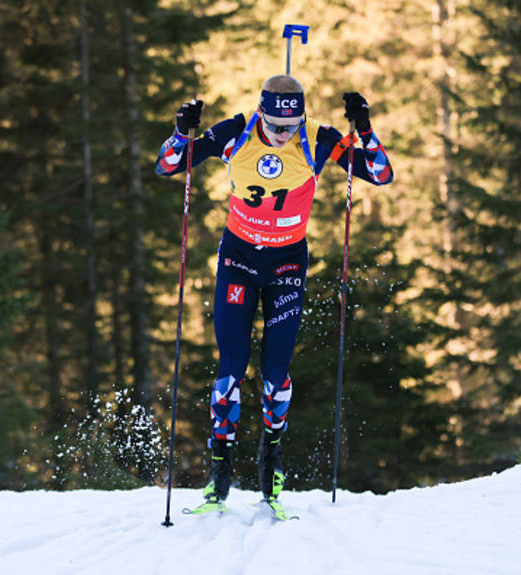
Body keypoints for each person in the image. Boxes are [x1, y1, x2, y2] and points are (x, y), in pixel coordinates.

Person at [155, 75, 393, 513]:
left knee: (274, 372)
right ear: (262, 112)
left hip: (286, 264)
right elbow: (169, 165)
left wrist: (364, 129)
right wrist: (181, 131)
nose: (284, 136)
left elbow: (379, 174)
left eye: (291, 126)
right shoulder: (237, 132)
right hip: (238, 260)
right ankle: (220, 471)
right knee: (231, 368)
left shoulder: (318, 138)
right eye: (276, 127)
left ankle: (271, 460)